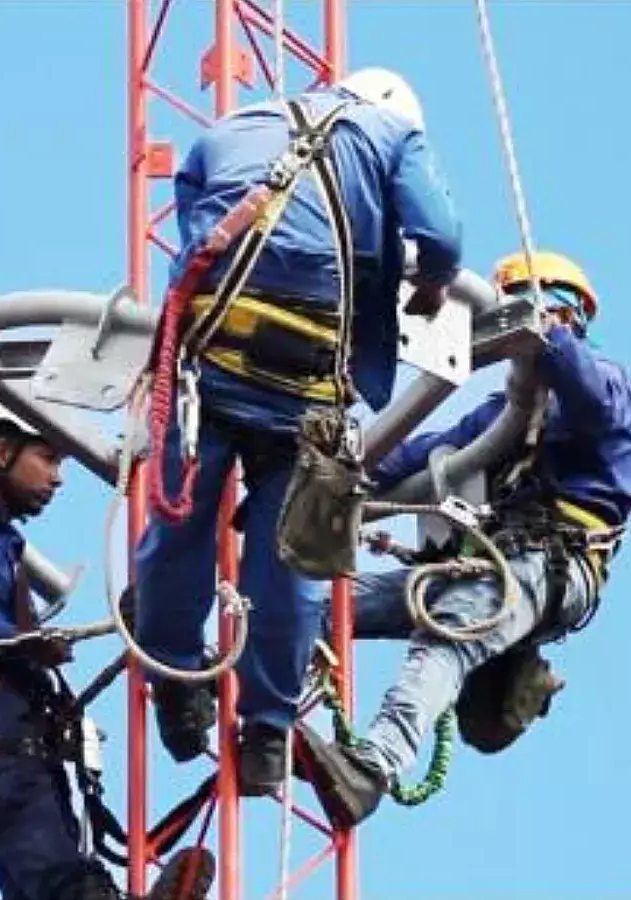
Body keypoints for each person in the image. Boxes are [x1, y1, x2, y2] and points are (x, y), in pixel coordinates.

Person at [134, 66, 464, 796]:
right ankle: (266, 732)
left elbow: (194, 225)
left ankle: (173, 676)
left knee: (177, 522)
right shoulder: (391, 132)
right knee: (298, 556)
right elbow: (439, 233)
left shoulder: (231, 127)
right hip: (305, 384)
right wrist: (432, 285)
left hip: (209, 350)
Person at [296, 250, 631, 828]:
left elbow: (590, 397)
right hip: (496, 562)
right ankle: (256, 704)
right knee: (334, 608)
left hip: (550, 563)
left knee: (446, 641)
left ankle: (372, 768)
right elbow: (410, 454)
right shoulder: (498, 410)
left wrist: (547, 336)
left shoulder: (610, 386)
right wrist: (326, 470)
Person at [0, 398, 216, 900]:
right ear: (0, 451)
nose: (58, 478)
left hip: (18, 726)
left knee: (49, 869)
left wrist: (30, 651)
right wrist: (16, 639)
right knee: (52, 869)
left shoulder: (3, 546)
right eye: (48, 458)